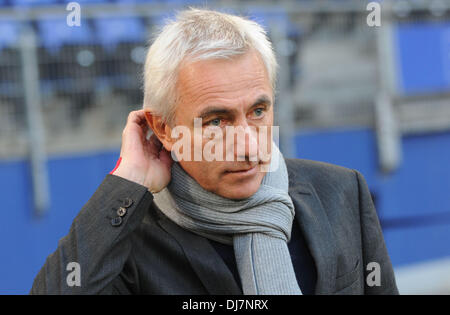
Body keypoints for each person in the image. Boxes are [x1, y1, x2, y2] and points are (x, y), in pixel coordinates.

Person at [30, 8, 398, 295]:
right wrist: (128, 181)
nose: (249, 145)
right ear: (163, 129)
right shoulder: (128, 242)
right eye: (216, 121)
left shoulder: (342, 191)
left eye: (258, 111)